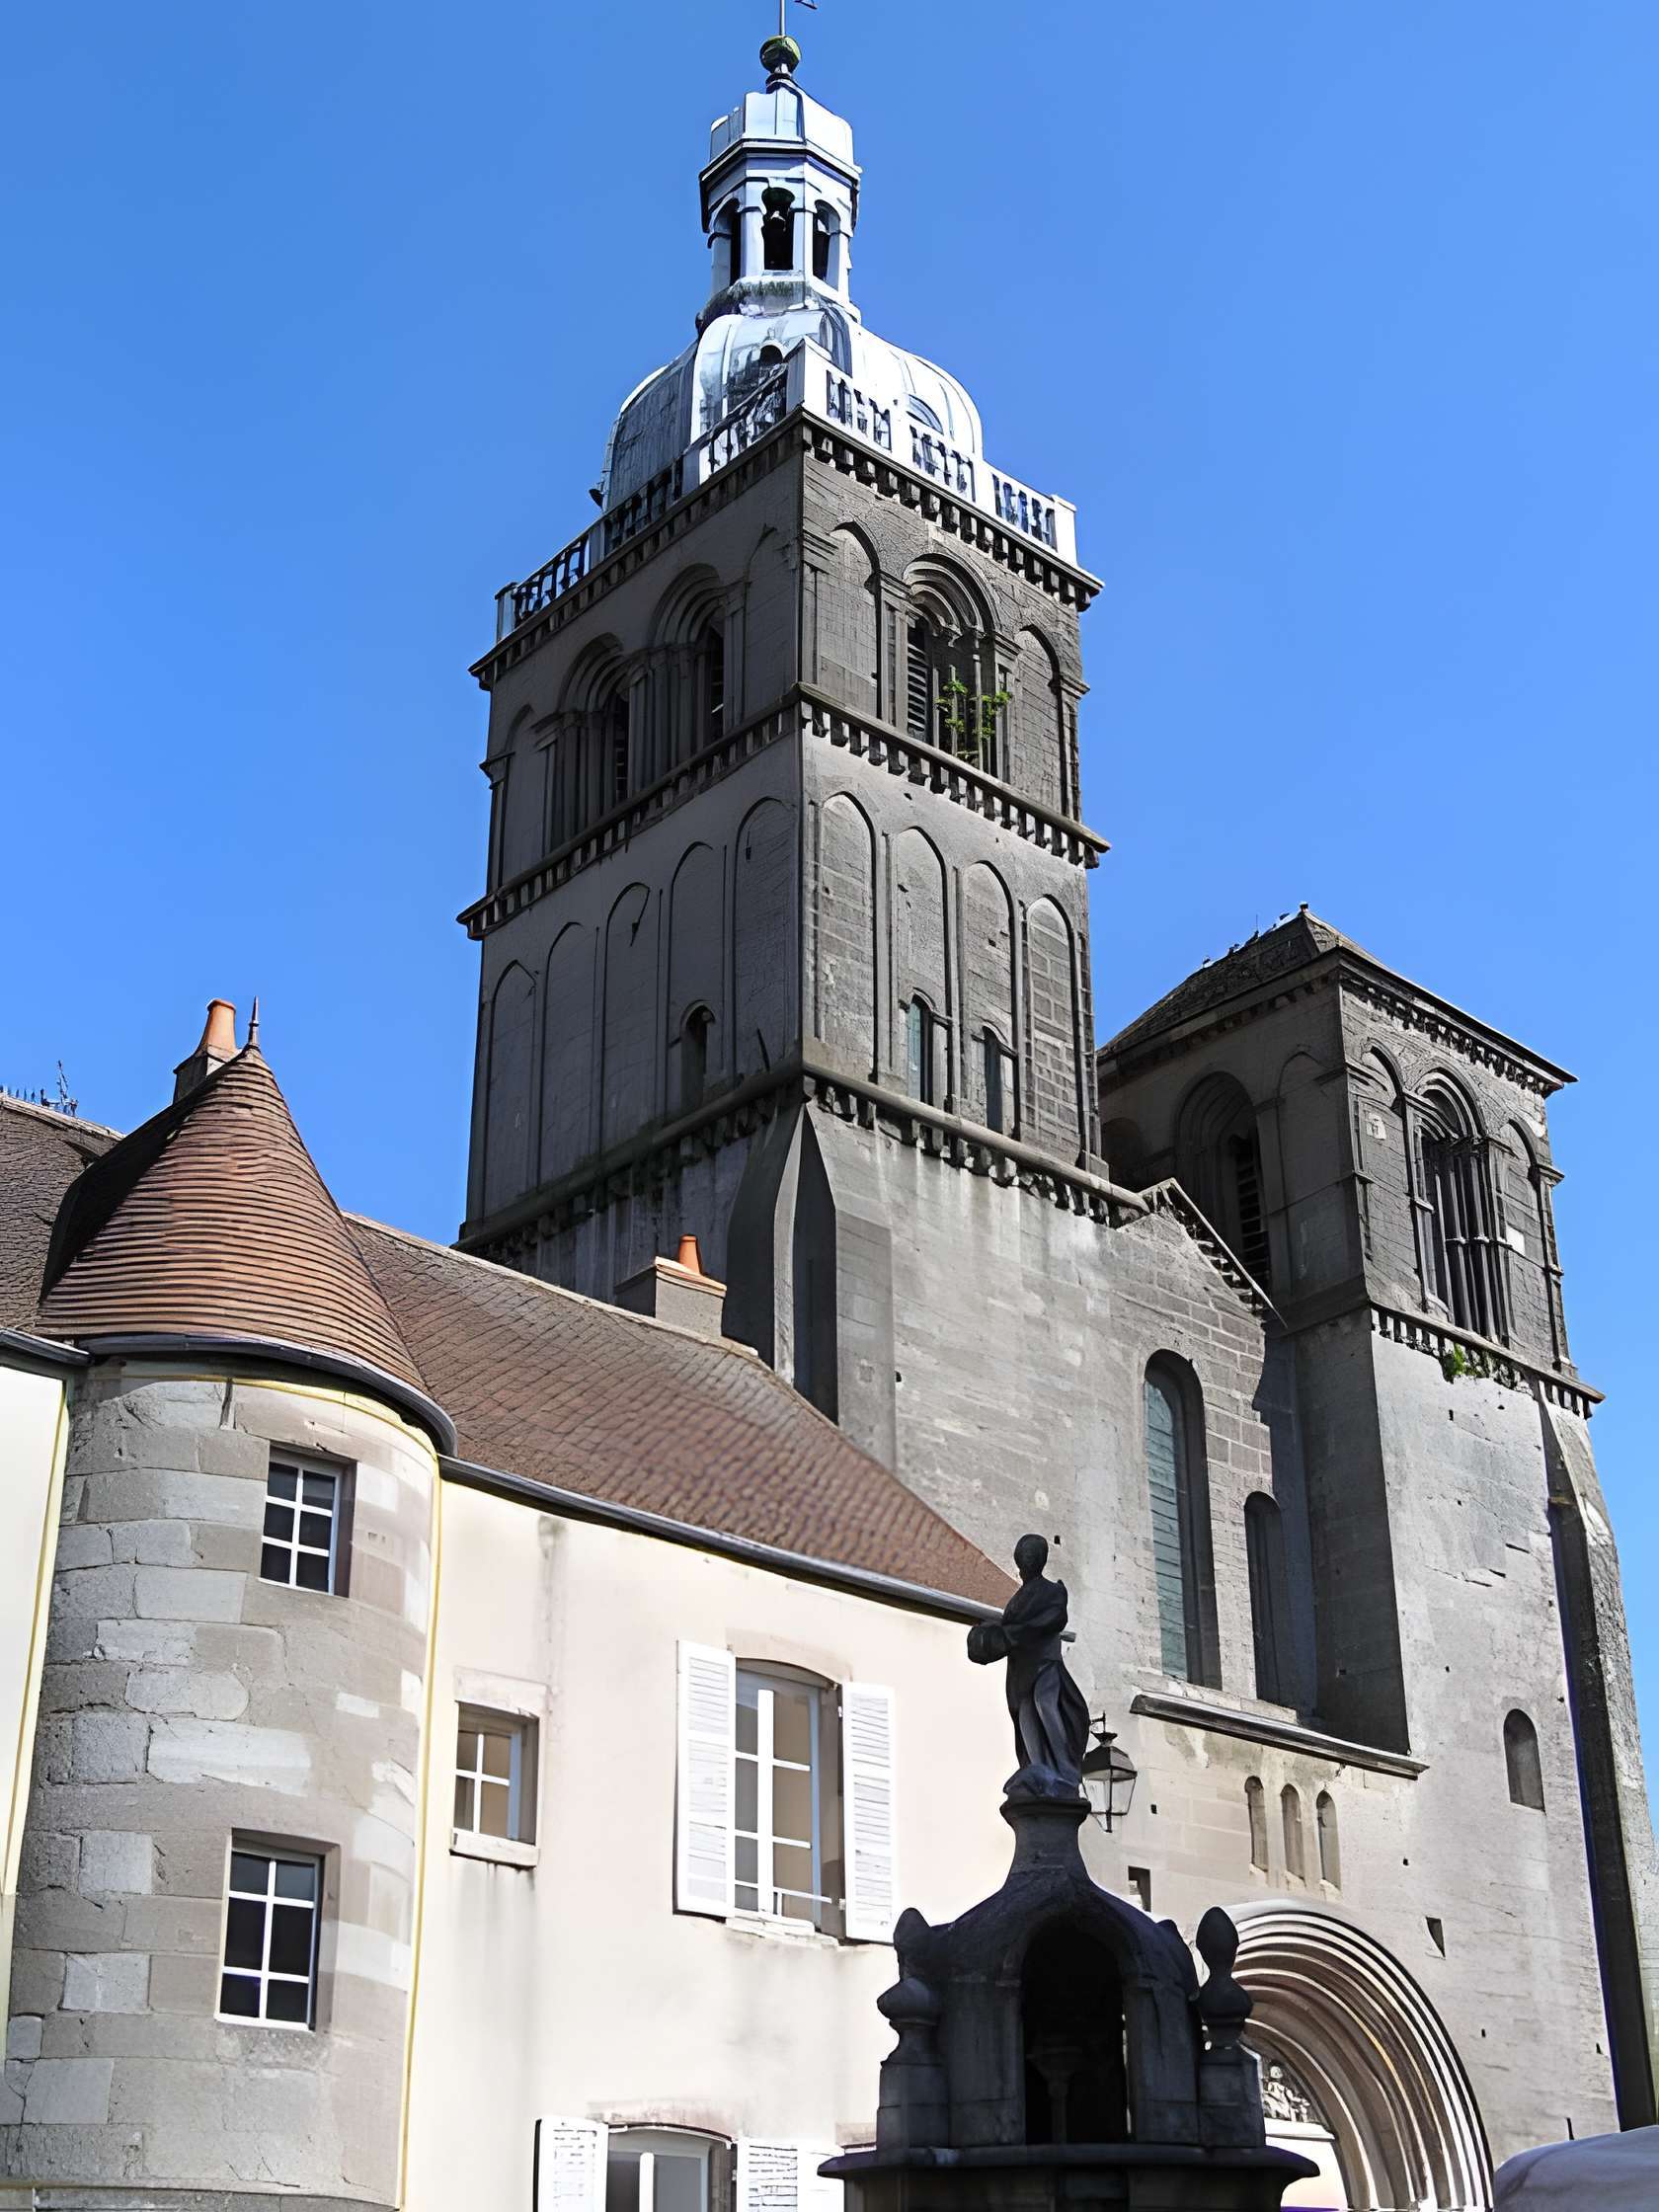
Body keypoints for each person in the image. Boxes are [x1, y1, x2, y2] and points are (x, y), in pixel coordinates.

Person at [967, 1534, 1092, 1798]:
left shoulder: (1052, 1591)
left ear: (1040, 1561)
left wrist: (1016, 1633)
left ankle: (1064, 1769)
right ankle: (1037, 1767)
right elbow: (1005, 1632)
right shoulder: (1016, 1601)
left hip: (1045, 1663)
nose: (1027, 1562)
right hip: (1021, 1671)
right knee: (1026, 1717)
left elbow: (1054, 1618)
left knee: (1045, 1705)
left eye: (1031, 1557)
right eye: (1024, 1557)